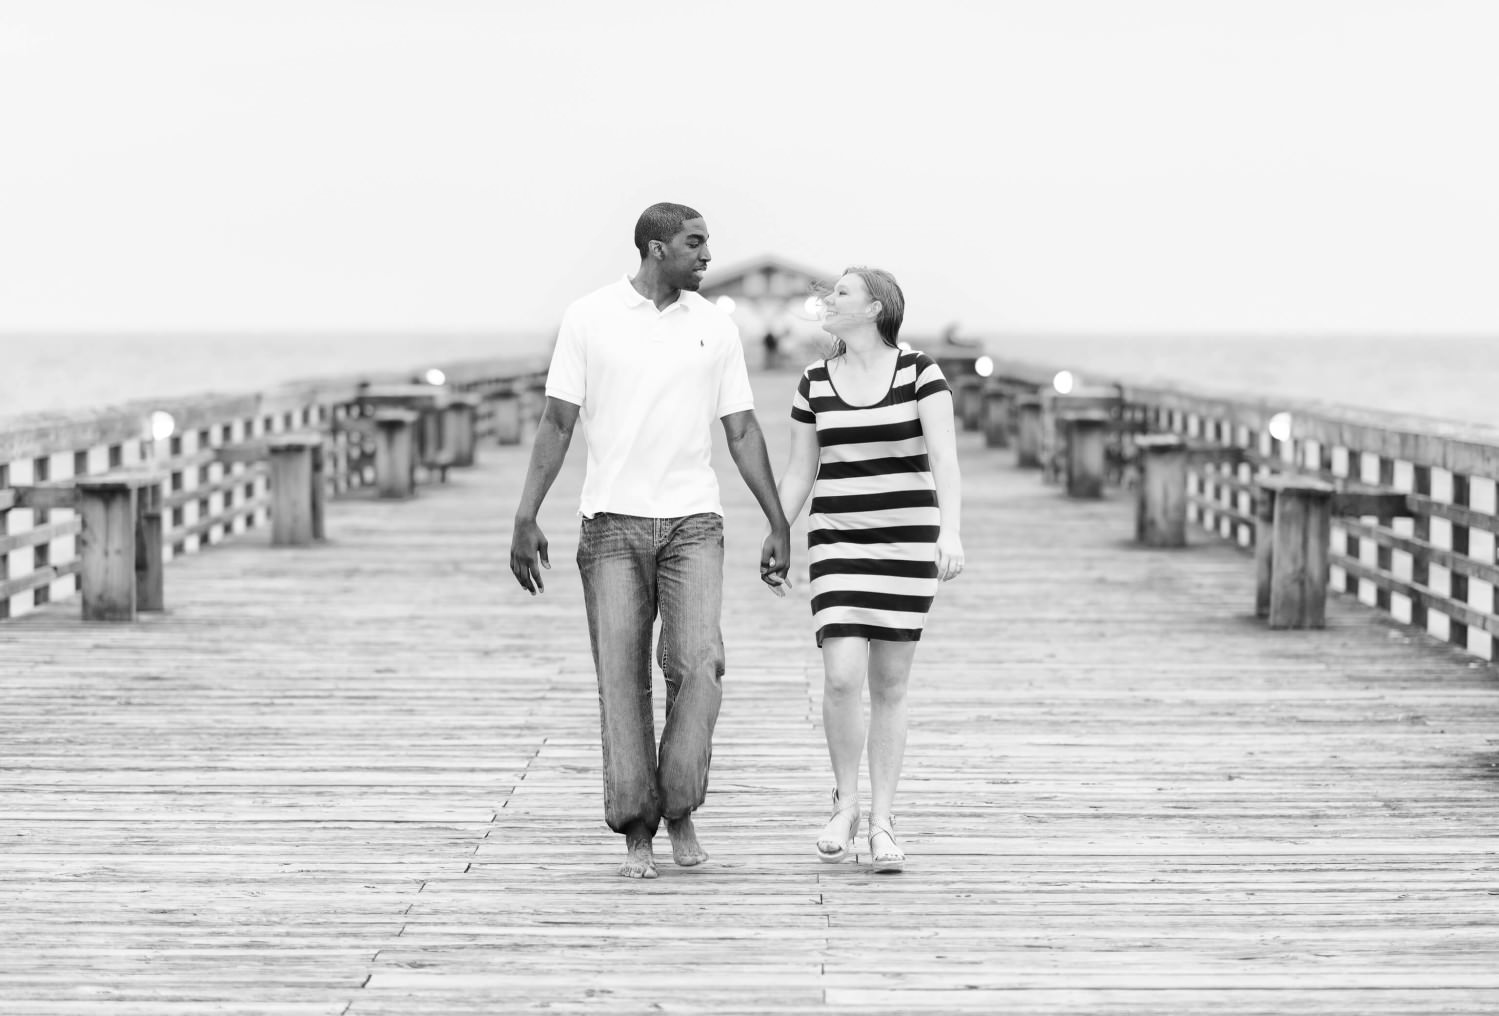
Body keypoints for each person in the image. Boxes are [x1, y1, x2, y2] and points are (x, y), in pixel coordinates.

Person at [508, 202, 791, 880]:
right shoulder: (589, 318)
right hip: (610, 525)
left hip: (694, 522)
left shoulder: (714, 328)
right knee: (621, 681)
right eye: (694, 244)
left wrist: (778, 520)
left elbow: (744, 429)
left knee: (699, 665)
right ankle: (637, 828)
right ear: (655, 248)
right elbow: (555, 422)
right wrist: (525, 515)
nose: (706, 256)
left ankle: (681, 806)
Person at [775, 267, 963, 874]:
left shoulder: (920, 373)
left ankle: (882, 822)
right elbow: (801, 469)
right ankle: (845, 803)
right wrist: (777, 531)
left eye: (843, 293)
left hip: (906, 543)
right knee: (840, 676)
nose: (829, 301)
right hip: (837, 541)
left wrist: (950, 531)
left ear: (877, 307)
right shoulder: (814, 381)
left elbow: (944, 459)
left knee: (889, 686)